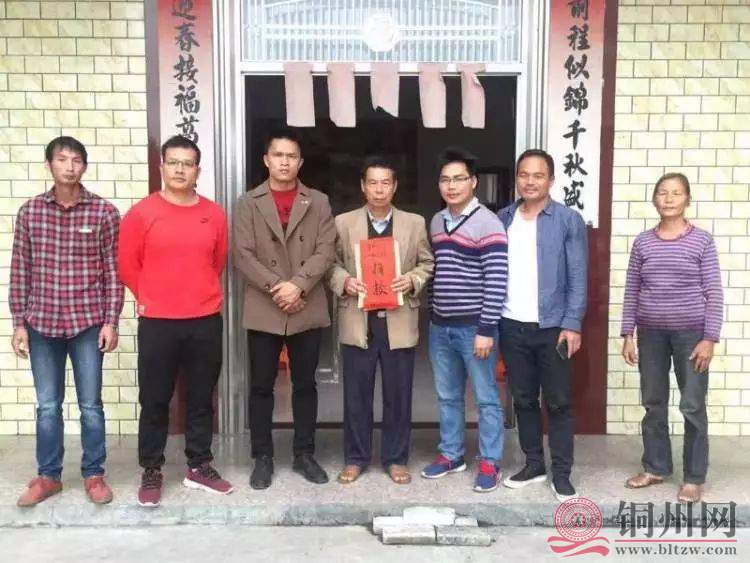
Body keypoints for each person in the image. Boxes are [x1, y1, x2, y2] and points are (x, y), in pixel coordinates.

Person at [118, 135, 232, 507]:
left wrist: (195, 292)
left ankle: (199, 465)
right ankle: (152, 468)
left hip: (204, 319)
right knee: (154, 399)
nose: (180, 169)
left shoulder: (214, 214)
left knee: (201, 397)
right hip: (158, 322)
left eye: (188, 163)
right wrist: (152, 295)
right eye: (173, 162)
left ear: (198, 170)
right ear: (162, 166)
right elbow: (127, 265)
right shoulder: (141, 213)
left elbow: (217, 261)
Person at [10, 136, 123, 506]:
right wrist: (19, 323)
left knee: (91, 404)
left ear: (84, 167)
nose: (70, 167)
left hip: (87, 322)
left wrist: (111, 321)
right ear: (49, 165)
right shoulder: (30, 212)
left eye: (76, 160)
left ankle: (94, 474)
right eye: (62, 159)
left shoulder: (104, 213)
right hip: (41, 323)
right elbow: (20, 270)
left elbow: (113, 273)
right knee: (47, 405)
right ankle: (49, 476)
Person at [233, 127, 336, 490]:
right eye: (278, 155)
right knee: (262, 386)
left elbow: (326, 250)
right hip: (266, 304)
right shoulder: (248, 202)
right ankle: (262, 456)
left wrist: (299, 285)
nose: (284, 162)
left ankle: (304, 453)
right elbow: (242, 255)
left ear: (300, 162)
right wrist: (279, 287)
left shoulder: (318, 201)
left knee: (305, 385)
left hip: (306, 303)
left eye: (291, 156)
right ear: (266, 160)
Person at [329, 156, 434, 485]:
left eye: (385, 183)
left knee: (398, 395)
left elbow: (427, 263)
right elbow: (329, 263)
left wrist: (412, 279)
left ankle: (396, 458)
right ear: (363, 187)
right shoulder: (343, 222)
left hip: (398, 321)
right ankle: (355, 458)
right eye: (372, 183)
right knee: (356, 395)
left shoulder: (414, 223)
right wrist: (345, 281)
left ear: (394, 186)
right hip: (358, 320)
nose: (379, 189)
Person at [621, 172, 723, 503]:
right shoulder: (643, 242)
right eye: (662, 192)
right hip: (650, 334)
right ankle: (656, 467)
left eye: (676, 193)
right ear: (654, 199)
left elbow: (714, 292)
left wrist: (709, 338)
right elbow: (632, 290)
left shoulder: (702, 241)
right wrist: (627, 333)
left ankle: (693, 477)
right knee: (653, 403)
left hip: (691, 336)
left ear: (687, 199)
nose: (668, 198)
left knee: (692, 405)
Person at [498, 149, 588, 502]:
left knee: (559, 402)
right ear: (516, 178)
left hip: (553, 327)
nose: (530, 181)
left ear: (551, 180)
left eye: (538, 175)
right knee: (523, 399)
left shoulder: (567, 220)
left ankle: (561, 473)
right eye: (524, 174)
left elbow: (578, 275)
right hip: (511, 323)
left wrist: (572, 324)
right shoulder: (504, 218)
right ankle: (534, 463)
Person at [420, 148, 508, 493]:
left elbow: (497, 279)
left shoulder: (488, 222)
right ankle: (451, 454)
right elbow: (436, 272)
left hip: (475, 327)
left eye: (459, 179)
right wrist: (433, 313)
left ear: (473, 182)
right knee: (447, 395)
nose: (451, 186)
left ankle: (490, 461)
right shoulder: (436, 221)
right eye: (445, 179)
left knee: (486, 397)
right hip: (441, 326)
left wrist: (486, 329)